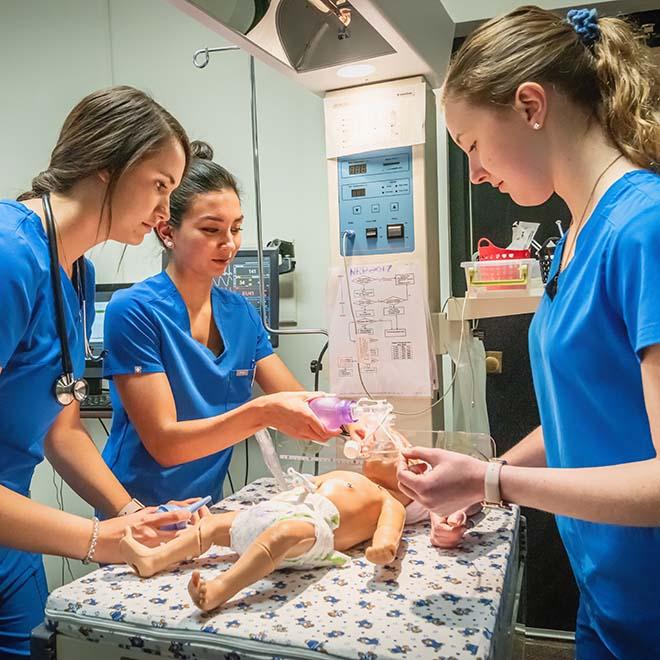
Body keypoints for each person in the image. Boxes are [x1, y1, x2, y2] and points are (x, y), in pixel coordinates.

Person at [397, 6, 660, 658]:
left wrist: (493, 484)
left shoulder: (643, 230)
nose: (475, 174)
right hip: (607, 598)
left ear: (531, 105)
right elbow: (584, 416)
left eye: (471, 145)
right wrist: (483, 473)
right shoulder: (574, 235)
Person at [0, 86, 203, 659]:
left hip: (13, 538)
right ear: (103, 168)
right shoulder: (10, 256)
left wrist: (132, 514)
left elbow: (60, 427)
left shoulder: (76, 273)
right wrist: (98, 540)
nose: (166, 213)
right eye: (160, 185)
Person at [100, 141, 346, 508]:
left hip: (206, 505)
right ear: (167, 231)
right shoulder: (134, 311)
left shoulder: (241, 314)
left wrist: (352, 418)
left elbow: (297, 399)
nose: (228, 244)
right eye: (212, 230)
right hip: (135, 508)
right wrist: (262, 412)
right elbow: (166, 444)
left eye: (236, 228)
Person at [119, 457, 411, 612]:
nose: (378, 445)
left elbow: (389, 530)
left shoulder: (390, 500)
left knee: (281, 534)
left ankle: (219, 588)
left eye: (393, 448)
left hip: (316, 527)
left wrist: (382, 548)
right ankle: (153, 559)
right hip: (280, 509)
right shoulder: (348, 474)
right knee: (210, 526)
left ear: (413, 471)